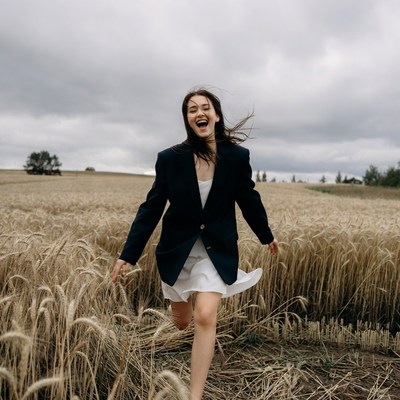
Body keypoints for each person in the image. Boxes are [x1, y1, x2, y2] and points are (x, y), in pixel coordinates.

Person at [112, 88, 278, 399]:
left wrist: (266, 234)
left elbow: (248, 199)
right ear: (188, 119)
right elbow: (151, 207)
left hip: (216, 251)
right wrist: (128, 254)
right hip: (177, 251)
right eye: (192, 109)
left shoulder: (237, 157)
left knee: (205, 315)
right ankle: (181, 300)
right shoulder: (170, 159)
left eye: (205, 108)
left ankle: (194, 395)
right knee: (182, 323)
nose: (199, 113)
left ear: (216, 115)